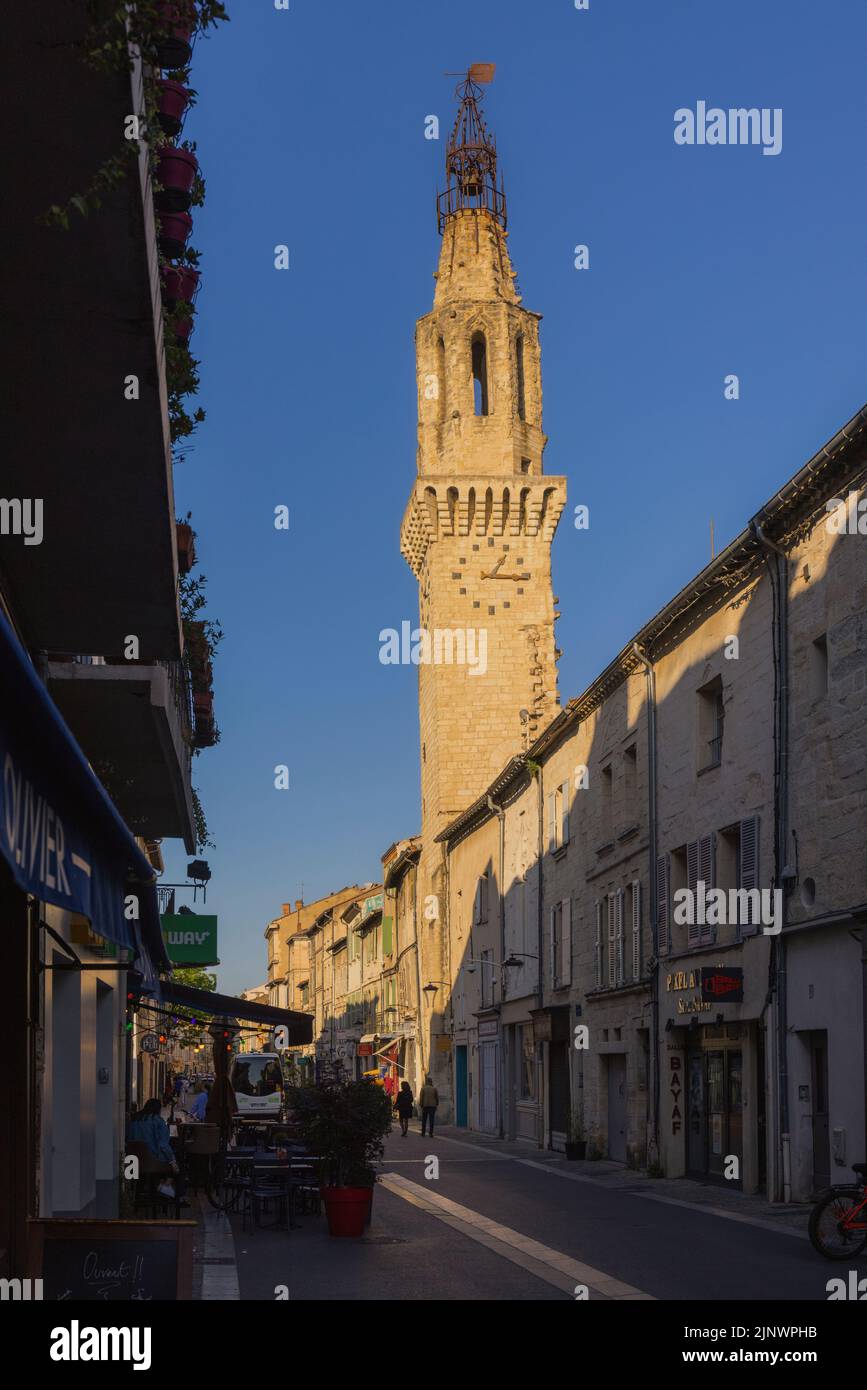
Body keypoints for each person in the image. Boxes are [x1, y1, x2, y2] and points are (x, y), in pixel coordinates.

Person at [127, 1098, 187, 1202]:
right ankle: (172, 1192)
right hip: (153, 1162)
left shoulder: (134, 1119)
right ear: (158, 1109)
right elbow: (163, 1146)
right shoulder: (157, 1121)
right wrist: (172, 1161)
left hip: (133, 1163)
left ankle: (136, 1194)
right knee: (179, 1162)